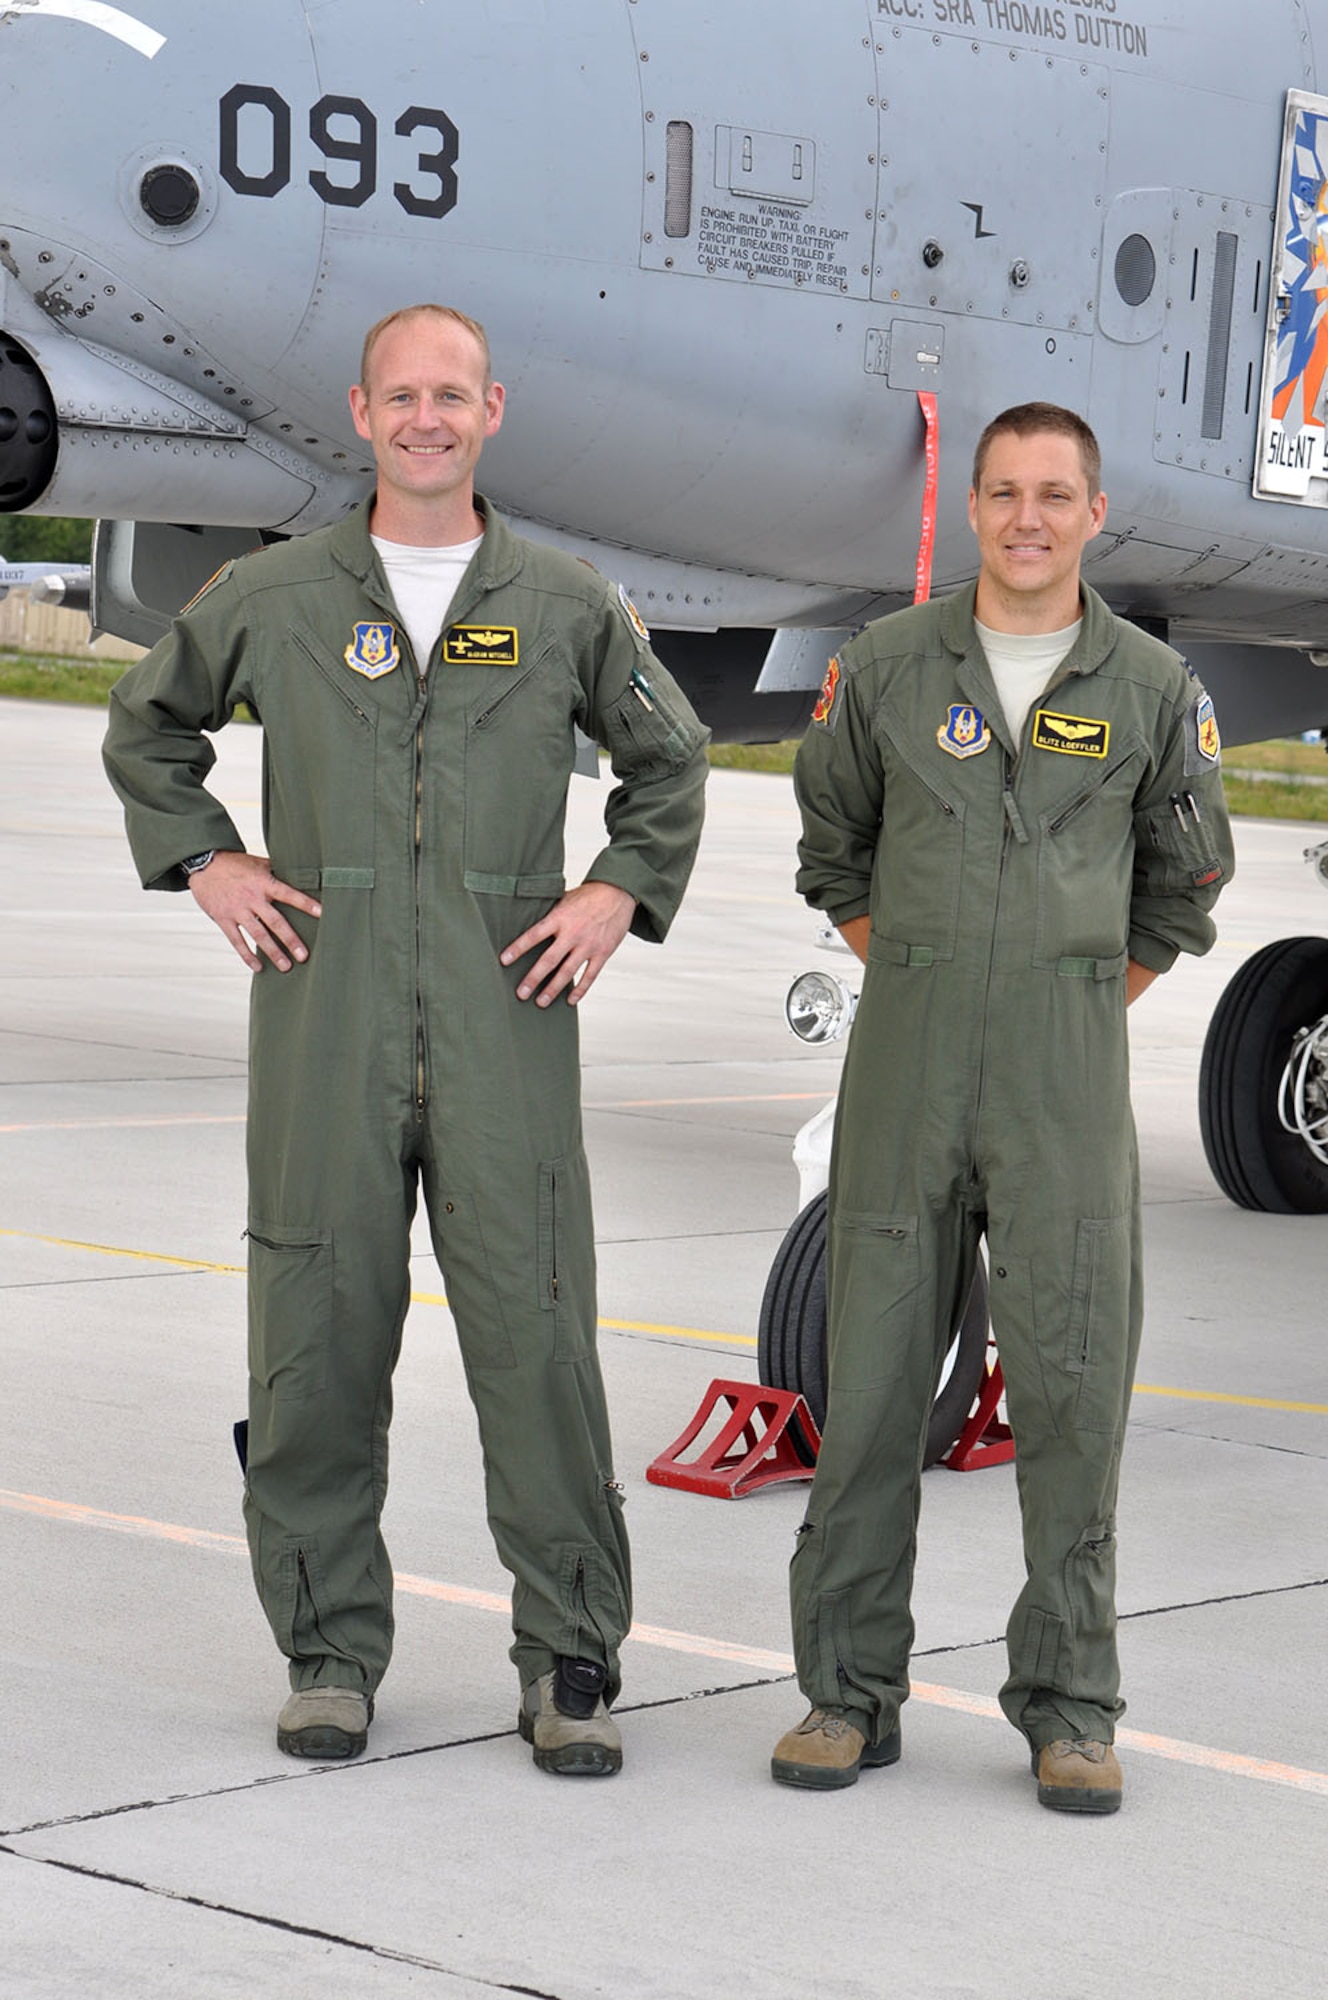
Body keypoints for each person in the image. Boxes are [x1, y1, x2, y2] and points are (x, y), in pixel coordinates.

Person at [103, 304, 708, 1776]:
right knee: (312, 1339)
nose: (426, 418)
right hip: (327, 1010)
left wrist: (619, 892)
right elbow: (149, 727)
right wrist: (210, 860)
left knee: (539, 1345)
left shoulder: (564, 601)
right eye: (401, 396)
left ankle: (569, 1658)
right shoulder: (281, 591)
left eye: (452, 394)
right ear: (360, 414)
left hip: (511, 1020)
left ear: (492, 408)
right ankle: (328, 1652)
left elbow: (668, 758)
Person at [771, 403, 1233, 1812]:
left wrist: (1076, 997)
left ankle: (1071, 1703)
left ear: (1097, 514)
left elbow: (1187, 884)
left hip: (1064, 1085)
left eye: (1055, 496)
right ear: (971, 508)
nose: (1027, 518)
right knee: (867, 1402)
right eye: (1003, 494)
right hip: (905, 1073)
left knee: (1076, 1394)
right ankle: (846, 1694)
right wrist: (916, 974)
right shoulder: (888, 670)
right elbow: (832, 847)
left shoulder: (1153, 689)